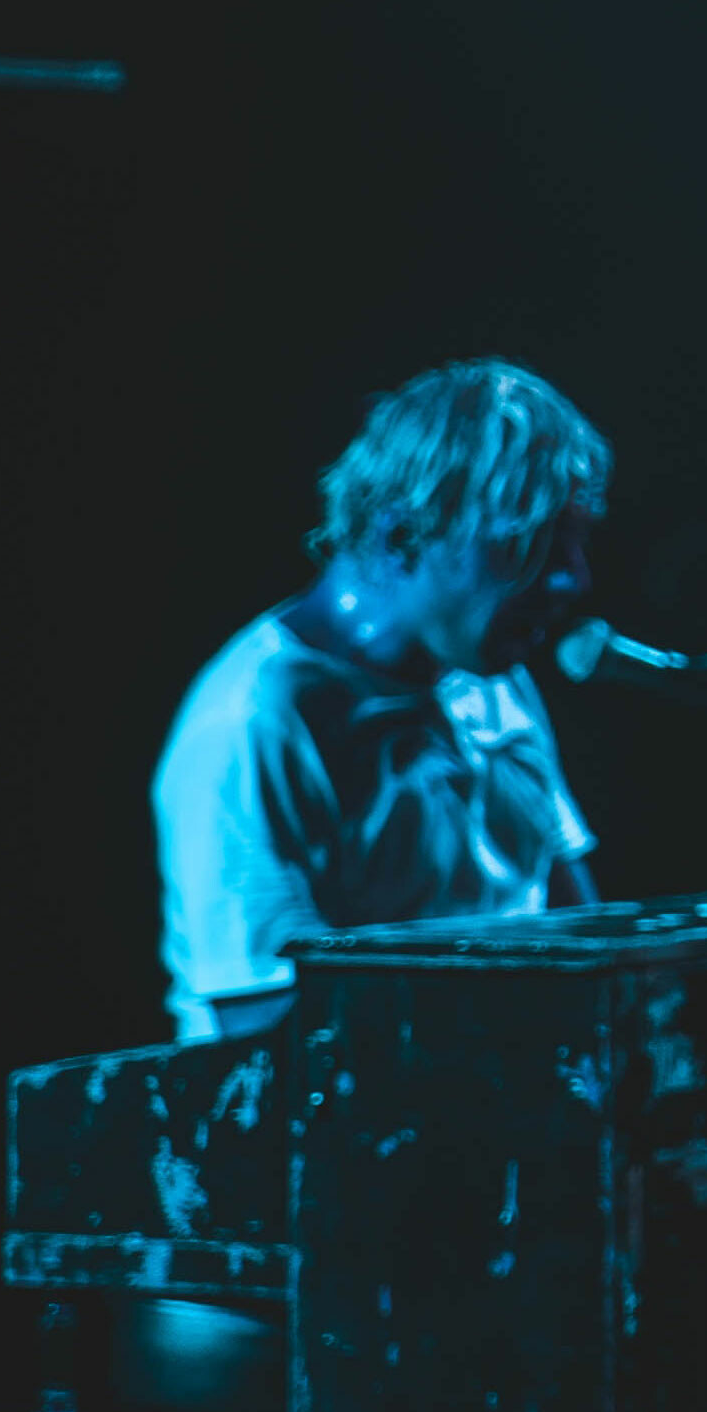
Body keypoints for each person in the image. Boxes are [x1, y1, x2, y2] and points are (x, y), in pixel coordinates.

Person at [153, 358, 610, 1045]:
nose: (574, 578)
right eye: (528, 543)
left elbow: (582, 929)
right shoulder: (252, 722)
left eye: (575, 543)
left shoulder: (490, 678)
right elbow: (265, 1026)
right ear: (402, 539)